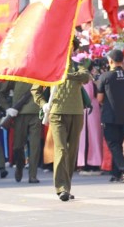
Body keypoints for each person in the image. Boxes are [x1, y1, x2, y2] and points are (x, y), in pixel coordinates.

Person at [32, 37, 90, 202]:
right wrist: (43, 104)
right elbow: (35, 90)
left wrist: (66, 75)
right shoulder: (49, 67)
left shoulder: (79, 66)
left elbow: (85, 77)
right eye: (66, 44)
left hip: (77, 113)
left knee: (72, 153)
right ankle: (61, 188)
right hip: (57, 113)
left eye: (71, 45)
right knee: (61, 149)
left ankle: (67, 186)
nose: (69, 48)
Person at [96, 49, 124, 183]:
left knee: (113, 144)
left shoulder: (105, 76)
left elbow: (99, 98)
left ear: (110, 61)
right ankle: (116, 174)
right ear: (122, 61)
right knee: (118, 144)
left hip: (110, 115)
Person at [5, 80, 41, 183]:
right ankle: (19, 166)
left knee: (35, 146)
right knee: (17, 146)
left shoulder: (40, 71)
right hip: (19, 113)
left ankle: (32, 175)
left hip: (35, 111)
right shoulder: (16, 73)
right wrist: (7, 108)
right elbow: (1, 91)